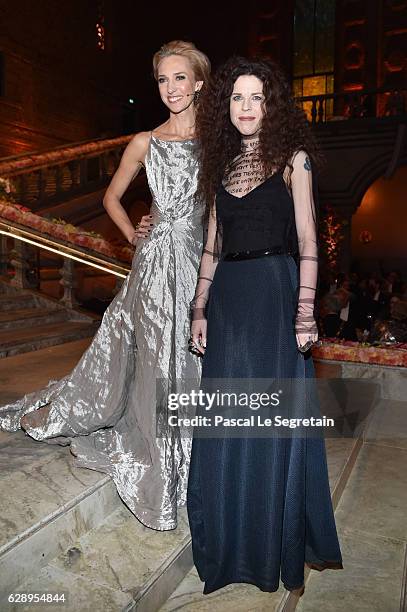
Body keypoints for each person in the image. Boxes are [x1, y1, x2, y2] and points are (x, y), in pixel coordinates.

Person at [0, 40, 210, 531]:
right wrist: (133, 234)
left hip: (201, 259)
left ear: (199, 82)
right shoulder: (145, 141)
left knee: (195, 353)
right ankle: (161, 455)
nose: (171, 88)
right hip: (156, 263)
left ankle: (197, 447)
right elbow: (113, 198)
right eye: (162, 79)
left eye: (180, 78)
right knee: (159, 354)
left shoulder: (217, 140)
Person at [187, 57, 343, 594]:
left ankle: (270, 543)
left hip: (275, 297)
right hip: (229, 301)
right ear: (225, 106)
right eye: (237, 98)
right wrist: (199, 307)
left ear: (271, 105)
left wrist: (305, 310)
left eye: (256, 97)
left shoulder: (291, 160)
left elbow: (307, 241)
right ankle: (229, 542)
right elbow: (212, 244)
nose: (246, 107)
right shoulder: (220, 164)